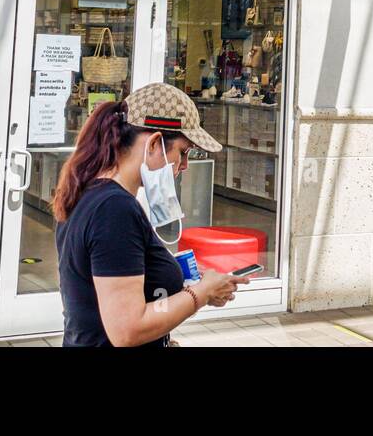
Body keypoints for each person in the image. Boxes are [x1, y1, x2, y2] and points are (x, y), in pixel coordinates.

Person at [51, 83, 247, 347]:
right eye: (183, 152)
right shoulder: (114, 209)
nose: (185, 165)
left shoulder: (89, 192)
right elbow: (128, 330)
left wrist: (174, 273)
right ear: (155, 142)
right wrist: (201, 292)